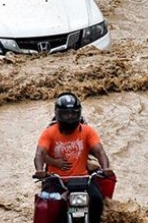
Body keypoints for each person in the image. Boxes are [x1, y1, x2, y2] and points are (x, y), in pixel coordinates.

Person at [34, 92, 113, 222]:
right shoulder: (49, 133)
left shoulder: (87, 131)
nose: (70, 117)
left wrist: (105, 168)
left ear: (79, 113)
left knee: (97, 200)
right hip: (56, 181)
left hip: (83, 180)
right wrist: (39, 171)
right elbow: (39, 154)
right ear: (58, 114)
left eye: (73, 113)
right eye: (66, 113)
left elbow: (100, 152)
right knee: (52, 207)